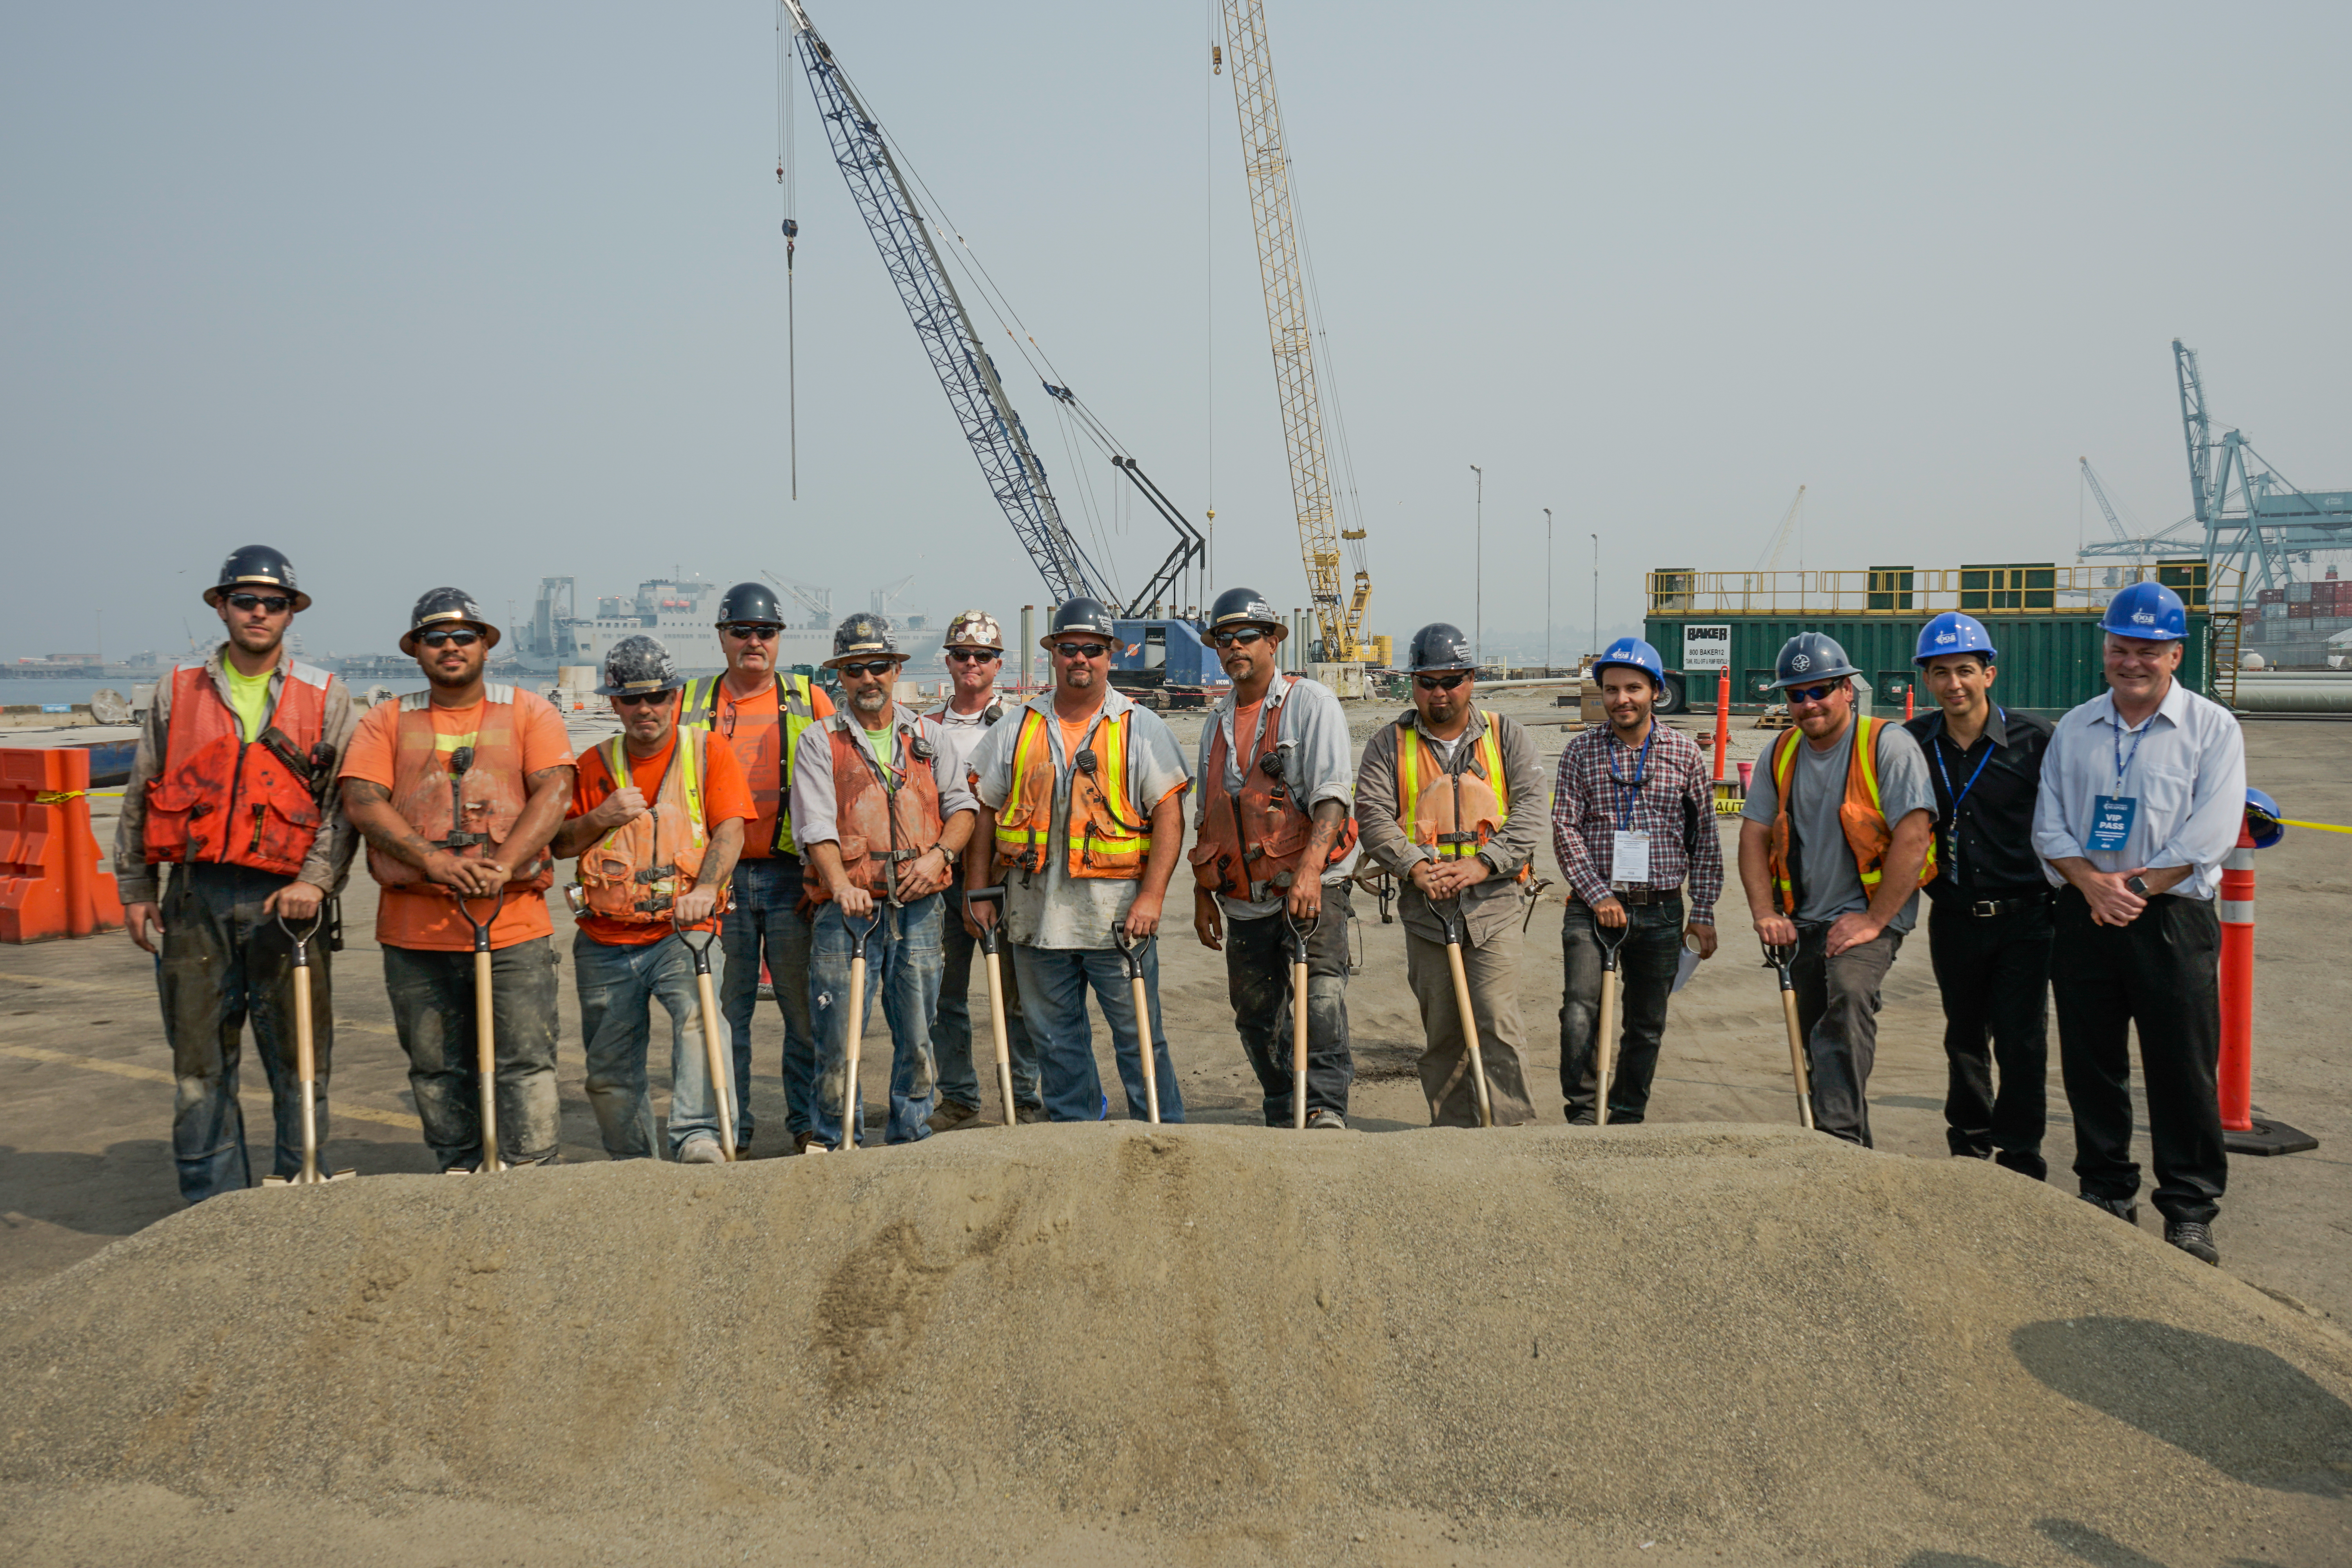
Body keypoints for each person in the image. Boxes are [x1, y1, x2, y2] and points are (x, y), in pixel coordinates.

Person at [115, 546, 361, 1201]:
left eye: (273, 603)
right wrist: (137, 887)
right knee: (199, 1067)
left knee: (301, 1063)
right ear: (221, 607)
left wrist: (316, 880)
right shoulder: (178, 689)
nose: (259, 612)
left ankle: (303, 1190)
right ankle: (211, 1208)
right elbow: (144, 789)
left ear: (290, 614)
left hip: (290, 905)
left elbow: (342, 804)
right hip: (195, 898)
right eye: (246, 601)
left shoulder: (326, 695)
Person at [2032, 581, 2245, 1265]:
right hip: (2086, 908)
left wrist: (2135, 887)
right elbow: (2050, 826)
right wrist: (2093, 884)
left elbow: (2210, 832)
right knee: (2092, 1061)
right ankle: (2105, 1189)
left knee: (2181, 1066)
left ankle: (2188, 1208)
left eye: (2149, 651)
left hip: (2171, 918)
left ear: (2175, 654)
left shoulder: (2213, 729)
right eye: (2121, 649)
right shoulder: (2076, 727)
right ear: (2105, 651)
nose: (2133, 662)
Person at [341, 589, 574, 1172]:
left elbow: (555, 790)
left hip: (514, 924)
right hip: (415, 930)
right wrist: (432, 861)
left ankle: (530, 1174)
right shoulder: (386, 721)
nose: (451, 647)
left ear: (485, 646)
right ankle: (459, 1167)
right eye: (436, 638)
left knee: (526, 1060)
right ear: (416, 649)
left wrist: (503, 865)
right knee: (436, 1065)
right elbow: (363, 800)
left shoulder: (528, 712)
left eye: (463, 636)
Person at [964, 597, 1192, 1122]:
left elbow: (1170, 819)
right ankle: (1076, 1137)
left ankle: (1165, 1136)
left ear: (1111, 655)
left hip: (1119, 923)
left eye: (1092, 649)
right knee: (1056, 1044)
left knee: (1140, 1041)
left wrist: (1153, 897)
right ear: (1054, 655)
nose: (1080, 659)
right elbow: (985, 814)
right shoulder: (1017, 728)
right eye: (1069, 649)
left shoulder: (1142, 728)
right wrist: (977, 893)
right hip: (1036, 922)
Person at [551, 636, 753, 1163]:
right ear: (613, 703)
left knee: (700, 1026)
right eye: (631, 699)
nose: (646, 709)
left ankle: (697, 1138)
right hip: (604, 938)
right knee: (609, 1067)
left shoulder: (708, 752)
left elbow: (730, 829)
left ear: (675, 698)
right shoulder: (593, 764)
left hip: (681, 931)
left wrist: (706, 890)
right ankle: (633, 1162)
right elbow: (560, 844)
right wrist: (600, 818)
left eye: (657, 696)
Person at [1737, 632, 1936, 1146]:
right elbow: (1754, 835)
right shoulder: (1779, 754)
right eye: (1796, 694)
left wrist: (1873, 922)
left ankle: (1838, 1146)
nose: (1808, 704)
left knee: (1845, 1001)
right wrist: (1764, 912)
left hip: (1872, 913)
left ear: (1848, 688)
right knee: (1817, 1041)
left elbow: (1913, 840)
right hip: (1803, 919)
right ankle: (1850, 1145)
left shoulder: (1886, 745)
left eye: (1819, 690)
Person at [789, 613, 979, 1149]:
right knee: (836, 1037)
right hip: (847, 913)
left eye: (877, 667)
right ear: (841, 677)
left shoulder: (930, 737)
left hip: (920, 910)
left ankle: (911, 1136)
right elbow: (816, 825)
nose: (867, 678)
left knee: (918, 1035)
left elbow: (963, 808)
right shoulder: (819, 741)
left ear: (896, 670)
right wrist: (839, 884)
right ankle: (834, 1138)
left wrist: (939, 856)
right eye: (855, 669)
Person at [1354, 622, 1546, 1127]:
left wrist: (1483, 863)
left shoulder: (1507, 737)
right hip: (1426, 912)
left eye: (1451, 680)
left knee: (1497, 1022)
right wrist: (1414, 866)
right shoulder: (1386, 745)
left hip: (1495, 908)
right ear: (1413, 684)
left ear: (1471, 679)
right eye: (1428, 682)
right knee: (1442, 1033)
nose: (1439, 693)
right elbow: (1372, 814)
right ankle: (1454, 1140)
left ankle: (1511, 1135)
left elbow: (1530, 814)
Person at [1188, 588, 1361, 1129]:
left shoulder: (1311, 703)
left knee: (1322, 994)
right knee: (1255, 1012)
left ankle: (1326, 1106)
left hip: (1314, 879)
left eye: (1245, 637)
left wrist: (1310, 873)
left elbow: (1333, 793)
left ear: (1271, 642)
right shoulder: (1215, 723)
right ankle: (1283, 1102)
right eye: (1223, 639)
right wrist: (1201, 893)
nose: (1233, 647)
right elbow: (1208, 815)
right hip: (1245, 895)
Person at [678, 581, 833, 1156]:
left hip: (793, 877)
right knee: (725, 1012)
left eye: (764, 632)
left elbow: (834, 787)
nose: (753, 641)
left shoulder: (807, 698)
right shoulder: (689, 703)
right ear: (721, 636)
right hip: (718, 883)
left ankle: (810, 1124)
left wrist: (825, 872)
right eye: (741, 630)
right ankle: (729, 1128)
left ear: (779, 639)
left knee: (804, 1010)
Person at [1902, 612, 2054, 1179]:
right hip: (1956, 915)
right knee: (1963, 1035)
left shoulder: (2036, 741)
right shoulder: (1912, 743)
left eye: (1965, 670)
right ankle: (1968, 1147)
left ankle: (2020, 1155)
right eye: (1940, 673)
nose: (1954, 684)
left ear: (1989, 674)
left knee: (2022, 1042)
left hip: (2027, 917)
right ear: (1927, 680)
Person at [1550, 636, 1722, 1124]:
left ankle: (1627, 1116)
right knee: (1580, 1012)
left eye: (1633, 688)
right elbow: (1565, 828)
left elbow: (1706, 840)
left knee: (1646, 1024)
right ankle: (1584, 1115)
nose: (1621, 698)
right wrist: (1598, 893)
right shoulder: (1580, 752)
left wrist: (1703, 913)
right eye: (1611, 689)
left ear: (1656, 691)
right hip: (1593, 906)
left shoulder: (1685, 755)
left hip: (1662, 909)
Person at [920, 611, 1044, 1131]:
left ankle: (1024, 1097)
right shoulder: (924, 727)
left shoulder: (1022, 724)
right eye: (962, 655)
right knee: (943, 997)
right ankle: (959, 1096)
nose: (972, 664)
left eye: (984, 656)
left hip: (1005, 878)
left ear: (999, 665)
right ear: (948, 661)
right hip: (943, 877)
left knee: (1018, 997)